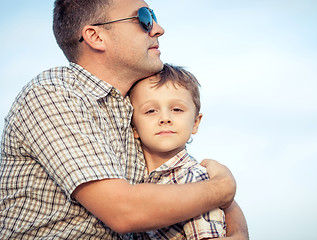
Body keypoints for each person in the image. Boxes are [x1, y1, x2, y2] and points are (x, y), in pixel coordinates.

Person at [0, 0, 248, 239]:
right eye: (144, 18)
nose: (159, 29)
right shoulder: (55, 93)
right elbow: (124, 211)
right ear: (96, 37)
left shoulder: (136, 110)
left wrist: (238, 229)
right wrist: (223, 188)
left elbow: (186, 181)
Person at [130, 63, 226, 239]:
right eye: (151, 111)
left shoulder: (195, 180)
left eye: (177, 109)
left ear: (195, 123)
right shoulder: (129, 175)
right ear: (134, 127)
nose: (165, 118)